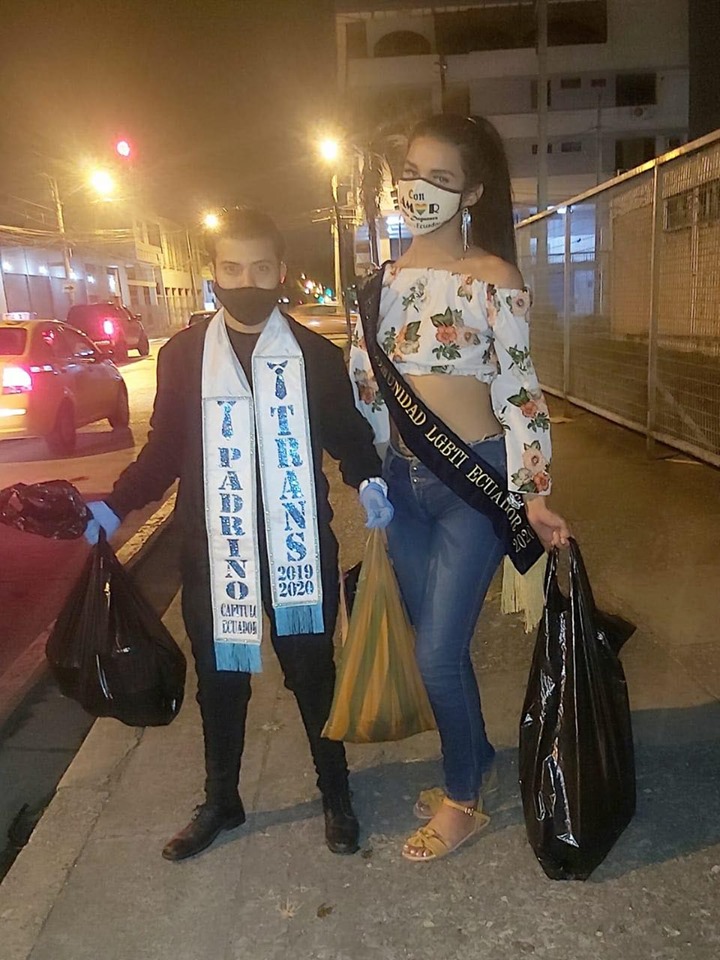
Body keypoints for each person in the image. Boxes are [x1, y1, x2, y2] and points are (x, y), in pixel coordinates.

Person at [84, 207, 393, 861]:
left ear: (280, 272)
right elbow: (164, 451)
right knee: (221, 681)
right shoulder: (183, 356)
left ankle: (336, 794)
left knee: (312, 674)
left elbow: (347, 435)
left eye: (259, 268)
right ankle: (222, 800)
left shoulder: (314, 356)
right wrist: (116, 506)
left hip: (297, 547)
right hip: (214, 550)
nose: (245, 281)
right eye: (231, 268)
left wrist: (369, 480)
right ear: (213, 273)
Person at [350, 114, 570, 863]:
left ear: (472, 192)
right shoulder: (378, 284)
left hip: (471, 483)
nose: (420, 190)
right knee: (431, 643)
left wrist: (534, 493)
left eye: (441, 178)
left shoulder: (493, 278)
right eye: (412, 173)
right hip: (402, 486)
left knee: (440, 654)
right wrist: (370, 472)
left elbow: (520, 393)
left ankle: (463, 800)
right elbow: (366, 386)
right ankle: (473, 754)